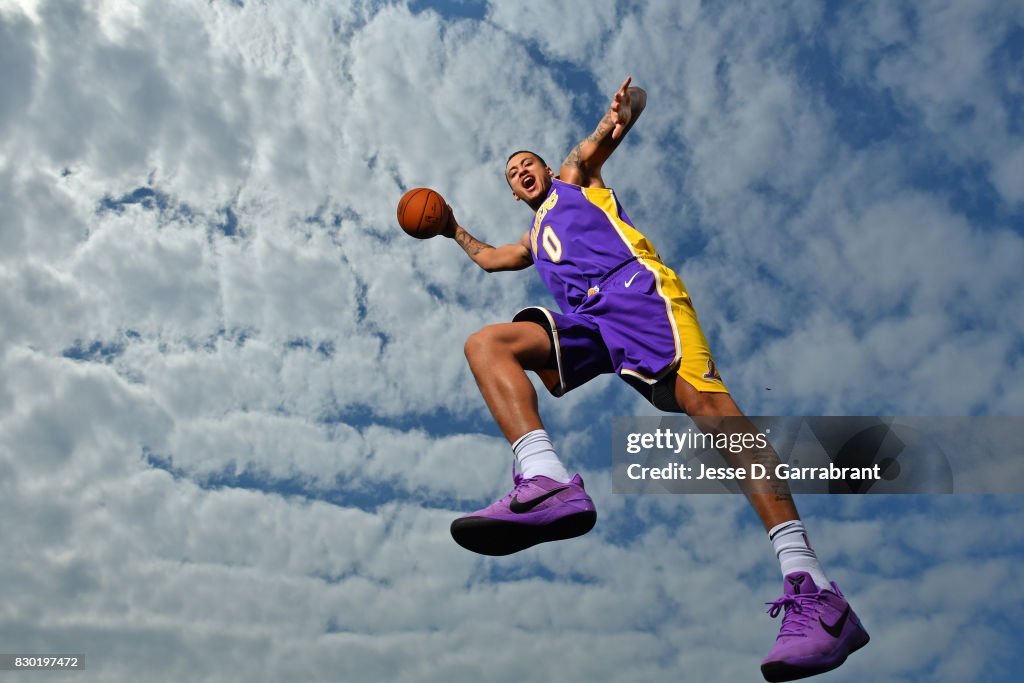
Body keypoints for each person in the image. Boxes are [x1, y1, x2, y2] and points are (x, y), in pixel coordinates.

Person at [441, 76, 869, 681]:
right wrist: (451, 227)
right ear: (513, 193)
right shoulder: (532, 240)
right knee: (487, 346)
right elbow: (487, 258)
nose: (523, 171)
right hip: (593, 323)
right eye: (513, 173)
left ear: (543, 166)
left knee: (716, 418)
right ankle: (544, 478)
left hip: (639, 296)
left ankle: (814, 587)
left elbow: (615, 128)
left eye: (526, 162)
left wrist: (626, 106)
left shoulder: (572, 179)